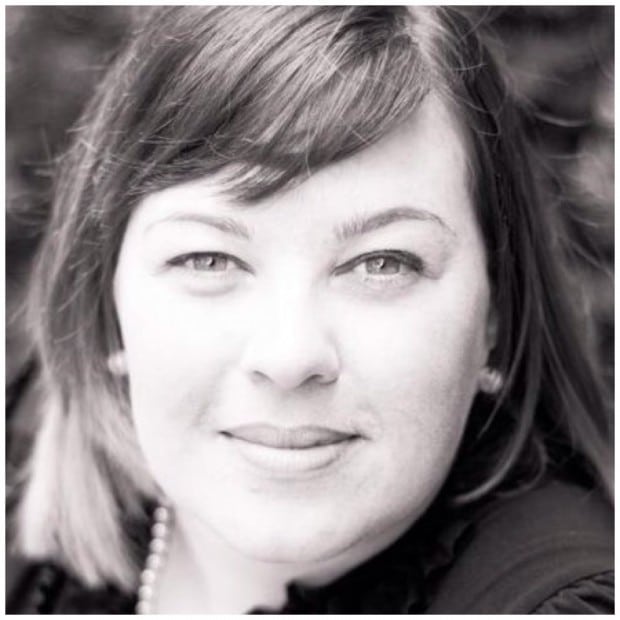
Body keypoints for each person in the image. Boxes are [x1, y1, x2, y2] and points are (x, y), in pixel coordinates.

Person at [6, 6, 613, 614]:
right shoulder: (26, 479)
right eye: (208, 259)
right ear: (108, 309)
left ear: (494, 316)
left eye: (383, 263)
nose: (289, 356)